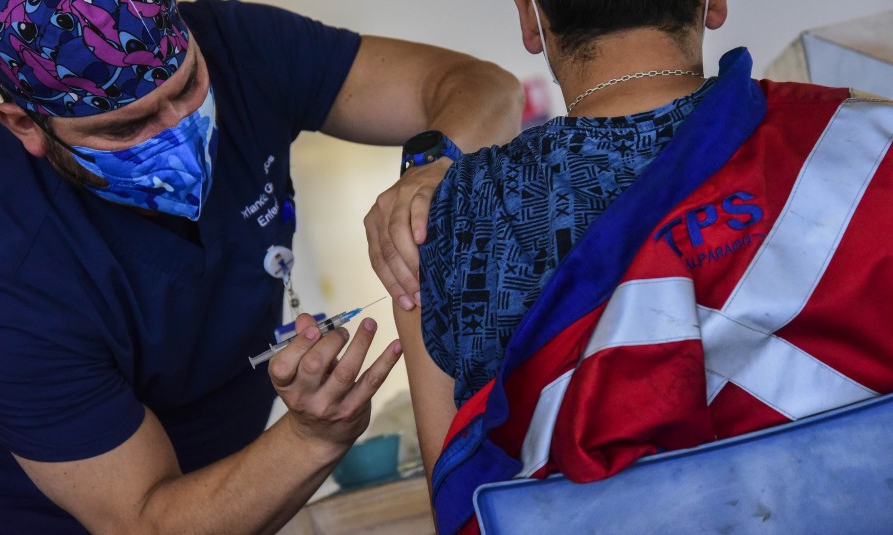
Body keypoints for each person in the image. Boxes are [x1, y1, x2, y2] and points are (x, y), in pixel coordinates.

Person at [0, 0, 523, 532]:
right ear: (26, 126)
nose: (179, 132)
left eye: (188, 87)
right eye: (125, 128)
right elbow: (144, 523)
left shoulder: (234, 44)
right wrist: (313, 436)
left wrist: (436, 168)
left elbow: (485, 87)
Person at [373, 0, 893, 533]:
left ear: (531, 20)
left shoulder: (442, 222)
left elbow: (463, 500)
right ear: (714, 6)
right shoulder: (867, 148)